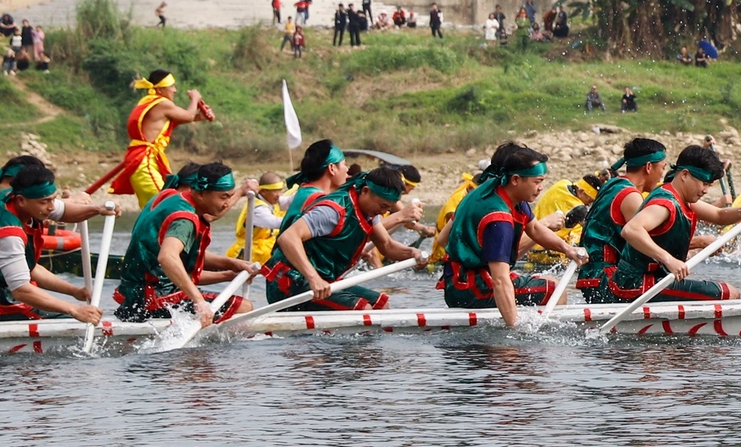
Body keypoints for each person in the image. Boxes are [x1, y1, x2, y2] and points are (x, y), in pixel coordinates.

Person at [437, 143, 587, 326]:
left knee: (547, 281)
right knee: (554, 289)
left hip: (459, 281)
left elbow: (534, 229)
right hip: (471, 288)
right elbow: (500, 280)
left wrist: (568, 249)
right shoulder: (498, 218)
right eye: (537, 181)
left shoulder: (500, 190)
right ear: (515, 179)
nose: (541, 188)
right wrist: (513, 331)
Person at [605, 144, 741, 303]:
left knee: (723, 291)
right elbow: (631, 230)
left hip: (653, 281)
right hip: (635, 285)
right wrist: (669, 260)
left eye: (709, 185)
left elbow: (718, 215)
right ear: (684, 175)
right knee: (730, 293)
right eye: (704, 183)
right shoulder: (665, 204)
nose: (706, 190)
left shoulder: (683, 199)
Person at [111, 163, 259, 325]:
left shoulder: (169, 196)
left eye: (230, 196)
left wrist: (230, 265)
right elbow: (167, 258)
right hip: (152, 298)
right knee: (244, 307)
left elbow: (184, 260)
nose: (227, 203)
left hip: (134, 294)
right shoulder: (184, 220)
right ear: (201, 194)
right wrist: (199, 301)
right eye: (224, 197)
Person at [0, 163, 101, 324]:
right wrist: (74, 309)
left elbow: (64, 212)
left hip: (7, 293)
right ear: (21, 200)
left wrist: (98, 210)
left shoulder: (23, 201)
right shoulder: (8, 234)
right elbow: (21, 290)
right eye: (45, 202)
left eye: (53, 199)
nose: (51, 207)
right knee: (71, 319)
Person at [263, 165, 421, 312]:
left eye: (388, 208)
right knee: (363, 310)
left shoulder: (368, 213)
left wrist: (412, 253)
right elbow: (288, 238)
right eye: (382, 206)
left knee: (381, 305)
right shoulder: (333, 210)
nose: (383, 212)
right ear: (365, 191)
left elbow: (387, 245)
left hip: (323, 282)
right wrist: (314, 278)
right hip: (289, 281)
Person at [86, 71, 215, 202]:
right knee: (165, 201)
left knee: (153, 210)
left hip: (143, 160)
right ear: (160, 89)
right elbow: (188, 116)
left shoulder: (149, 102)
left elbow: (171, 123)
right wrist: (195, 98)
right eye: (172, 86)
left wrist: (200, 117)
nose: (175, 90)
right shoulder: (162, 103)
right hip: (144, 161)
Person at [573, 138, 669, 301]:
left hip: (590, 279)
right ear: (648, 167)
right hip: (607, 281)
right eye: (662, 168)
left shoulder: (613, 185)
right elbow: (651, 244)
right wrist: (697, 243)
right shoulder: (631, 197)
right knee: (721, 291)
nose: (662, 174)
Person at [231, 173, 290, 264]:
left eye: (280, 190)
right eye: (275, 191)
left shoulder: (270, 200)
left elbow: (289, 201)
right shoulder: (257, 209)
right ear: (263, 191)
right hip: (247, 255)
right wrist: (300, 221)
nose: (279, 195)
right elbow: (274, 223)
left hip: (262, 255)